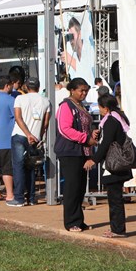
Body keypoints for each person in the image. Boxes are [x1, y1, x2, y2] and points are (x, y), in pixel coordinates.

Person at [84, 94, 133, 238]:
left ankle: (118, 229)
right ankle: (116, 228)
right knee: (114, 197)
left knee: (115, 198)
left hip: (115, 165)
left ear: (105, 108)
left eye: (99, 107)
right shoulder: (115, 119)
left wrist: (94, 160)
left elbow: (106, 144)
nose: (99, 110)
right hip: (115, 163)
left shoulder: (111, 121)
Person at [55, 77, 98, 232]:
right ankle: (71, 222)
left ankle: (79, 221)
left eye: (86, 90)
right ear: (72, 90)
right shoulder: (66, 106)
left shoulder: (81, 106)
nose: (84, 93)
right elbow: (64, 129)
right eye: (81, 90)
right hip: (69, 151)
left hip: (82, 151)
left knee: (80, 188)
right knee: (72, 187)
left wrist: (92, 135)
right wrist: (85, 139)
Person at [9, 76, 51, 207]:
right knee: (31, 167)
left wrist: (28, 134)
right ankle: (31, 198)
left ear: (26, 87)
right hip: (35, 138)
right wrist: (38, 136)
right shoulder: (46, 101)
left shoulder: (20, 98)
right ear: (38, 87)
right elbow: (45, 123)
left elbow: (18, 118)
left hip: (20, 135)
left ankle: (19, 198)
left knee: (18, 167)